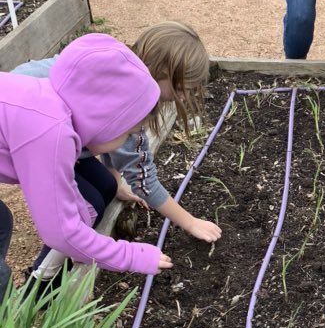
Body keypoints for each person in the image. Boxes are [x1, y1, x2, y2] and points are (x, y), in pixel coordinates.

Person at [12, 21, 221, 286]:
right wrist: (190, 223)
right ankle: (40, 283)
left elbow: (107, 142)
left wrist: (115, 178)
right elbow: (144, 180)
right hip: (32, 134)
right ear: (164, 73)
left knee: (107, 186)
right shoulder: (129, 101)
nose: (179, 98)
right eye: (181, 90)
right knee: (86, 208)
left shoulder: (118, 66)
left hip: (37, 114)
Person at [0, 32, 172, 301]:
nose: (126, 140)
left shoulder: (54, 107)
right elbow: (61, 234)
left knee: (3, 222)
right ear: (106, 118)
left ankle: (28, 301)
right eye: (127, 131)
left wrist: (81, 216)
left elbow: (66, 206)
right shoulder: (50, 132)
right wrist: (132, 256)